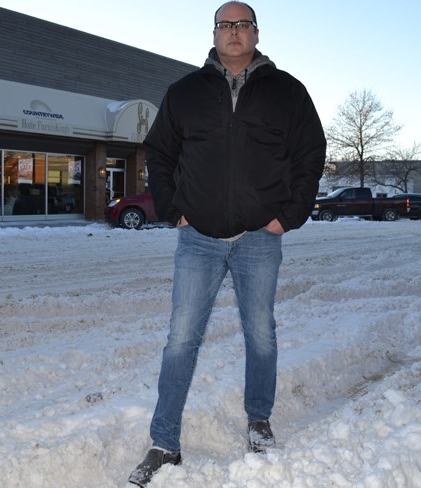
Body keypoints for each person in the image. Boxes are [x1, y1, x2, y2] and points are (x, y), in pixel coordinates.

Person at [128, 2, 326, 485]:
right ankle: (164, 442)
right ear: (214, 34)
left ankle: (259, 421)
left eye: (243, 24)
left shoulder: (288, 92)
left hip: (261, 236)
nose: (234, 32)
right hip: (198, 238)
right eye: (225, 25)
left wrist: (289, 216)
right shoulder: (185, 92)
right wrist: (171, 208)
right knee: (180, 340)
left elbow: (311, 153)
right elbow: (159, 152)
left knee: (261, 334)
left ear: (256, 32)